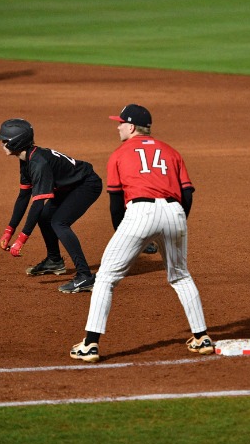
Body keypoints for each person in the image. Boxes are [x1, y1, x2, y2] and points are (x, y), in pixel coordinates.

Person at [70, 104, 213, 362]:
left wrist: (122, 231)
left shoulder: (119, 154)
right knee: (180, 276)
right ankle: (202, 338)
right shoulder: (171, 151)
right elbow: (187, 194)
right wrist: (178, 223)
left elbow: (116, 202)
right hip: (175, 212)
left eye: (121, 123)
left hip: (139, 213)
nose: (118, 127)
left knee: (105, 277)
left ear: (132, 126)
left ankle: (90, 345)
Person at [0, 118, 102, 294]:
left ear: (17, 142)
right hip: (69, 186)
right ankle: (54, 260)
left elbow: (37, 204)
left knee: (59, 222)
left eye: (5, 140)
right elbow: (23, 197)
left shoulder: (38, 163)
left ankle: (85, 276)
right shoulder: (26, 159)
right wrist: (9, 230)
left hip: (86, 185)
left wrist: (21, 240)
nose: (2, 144)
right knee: (45, 218)